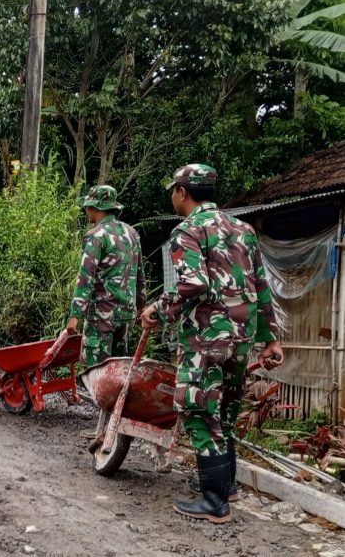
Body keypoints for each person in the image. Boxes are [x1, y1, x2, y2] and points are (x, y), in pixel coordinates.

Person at [140, 163, 283, 524]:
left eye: (174, 190)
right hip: (241, 338)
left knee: (199, 410)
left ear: (183, 193)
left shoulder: (187, 231)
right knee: (226, 413)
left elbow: (194, 284)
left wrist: (157, 309)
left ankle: (214, 502)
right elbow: (261, 286)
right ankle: (226, 486)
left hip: (206, 339)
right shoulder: (243, 229)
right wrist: (270, 339)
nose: (173, 195)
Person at [67, 185, 146, 366]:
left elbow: (86, 278)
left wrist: (75, 316)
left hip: (101, 316)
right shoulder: (132, 233)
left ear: (95, 208)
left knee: (95, 372)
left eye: (87, 207)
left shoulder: (95, 236)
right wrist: (141, 306)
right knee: (118, 370)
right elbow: (139, 274)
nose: (86, 211)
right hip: (126, 314)